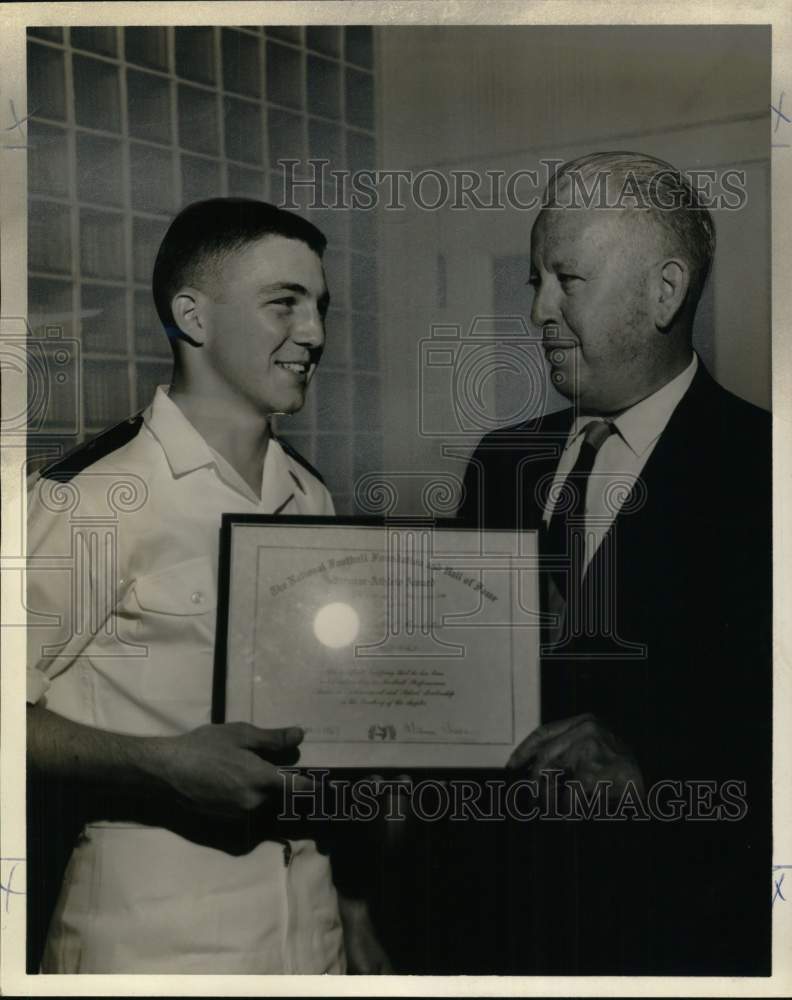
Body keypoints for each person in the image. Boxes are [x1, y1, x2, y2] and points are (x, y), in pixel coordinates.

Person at [25, 199, 391, 974]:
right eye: (283, 303)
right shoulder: (91, 497)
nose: (316, 334)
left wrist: (353, 903)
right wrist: (163, 764)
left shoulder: (311, 496)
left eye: (320, 306)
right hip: (154, 949)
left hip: (310, 941)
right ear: (192, 315)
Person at [449, 152, 771, 974]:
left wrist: (650, 779)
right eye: (533, 282)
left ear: (665, 292)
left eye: (567, 280)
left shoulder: (770, 471)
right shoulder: (498, 463)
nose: (538, 312)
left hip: (688, 946)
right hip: (500, 935)